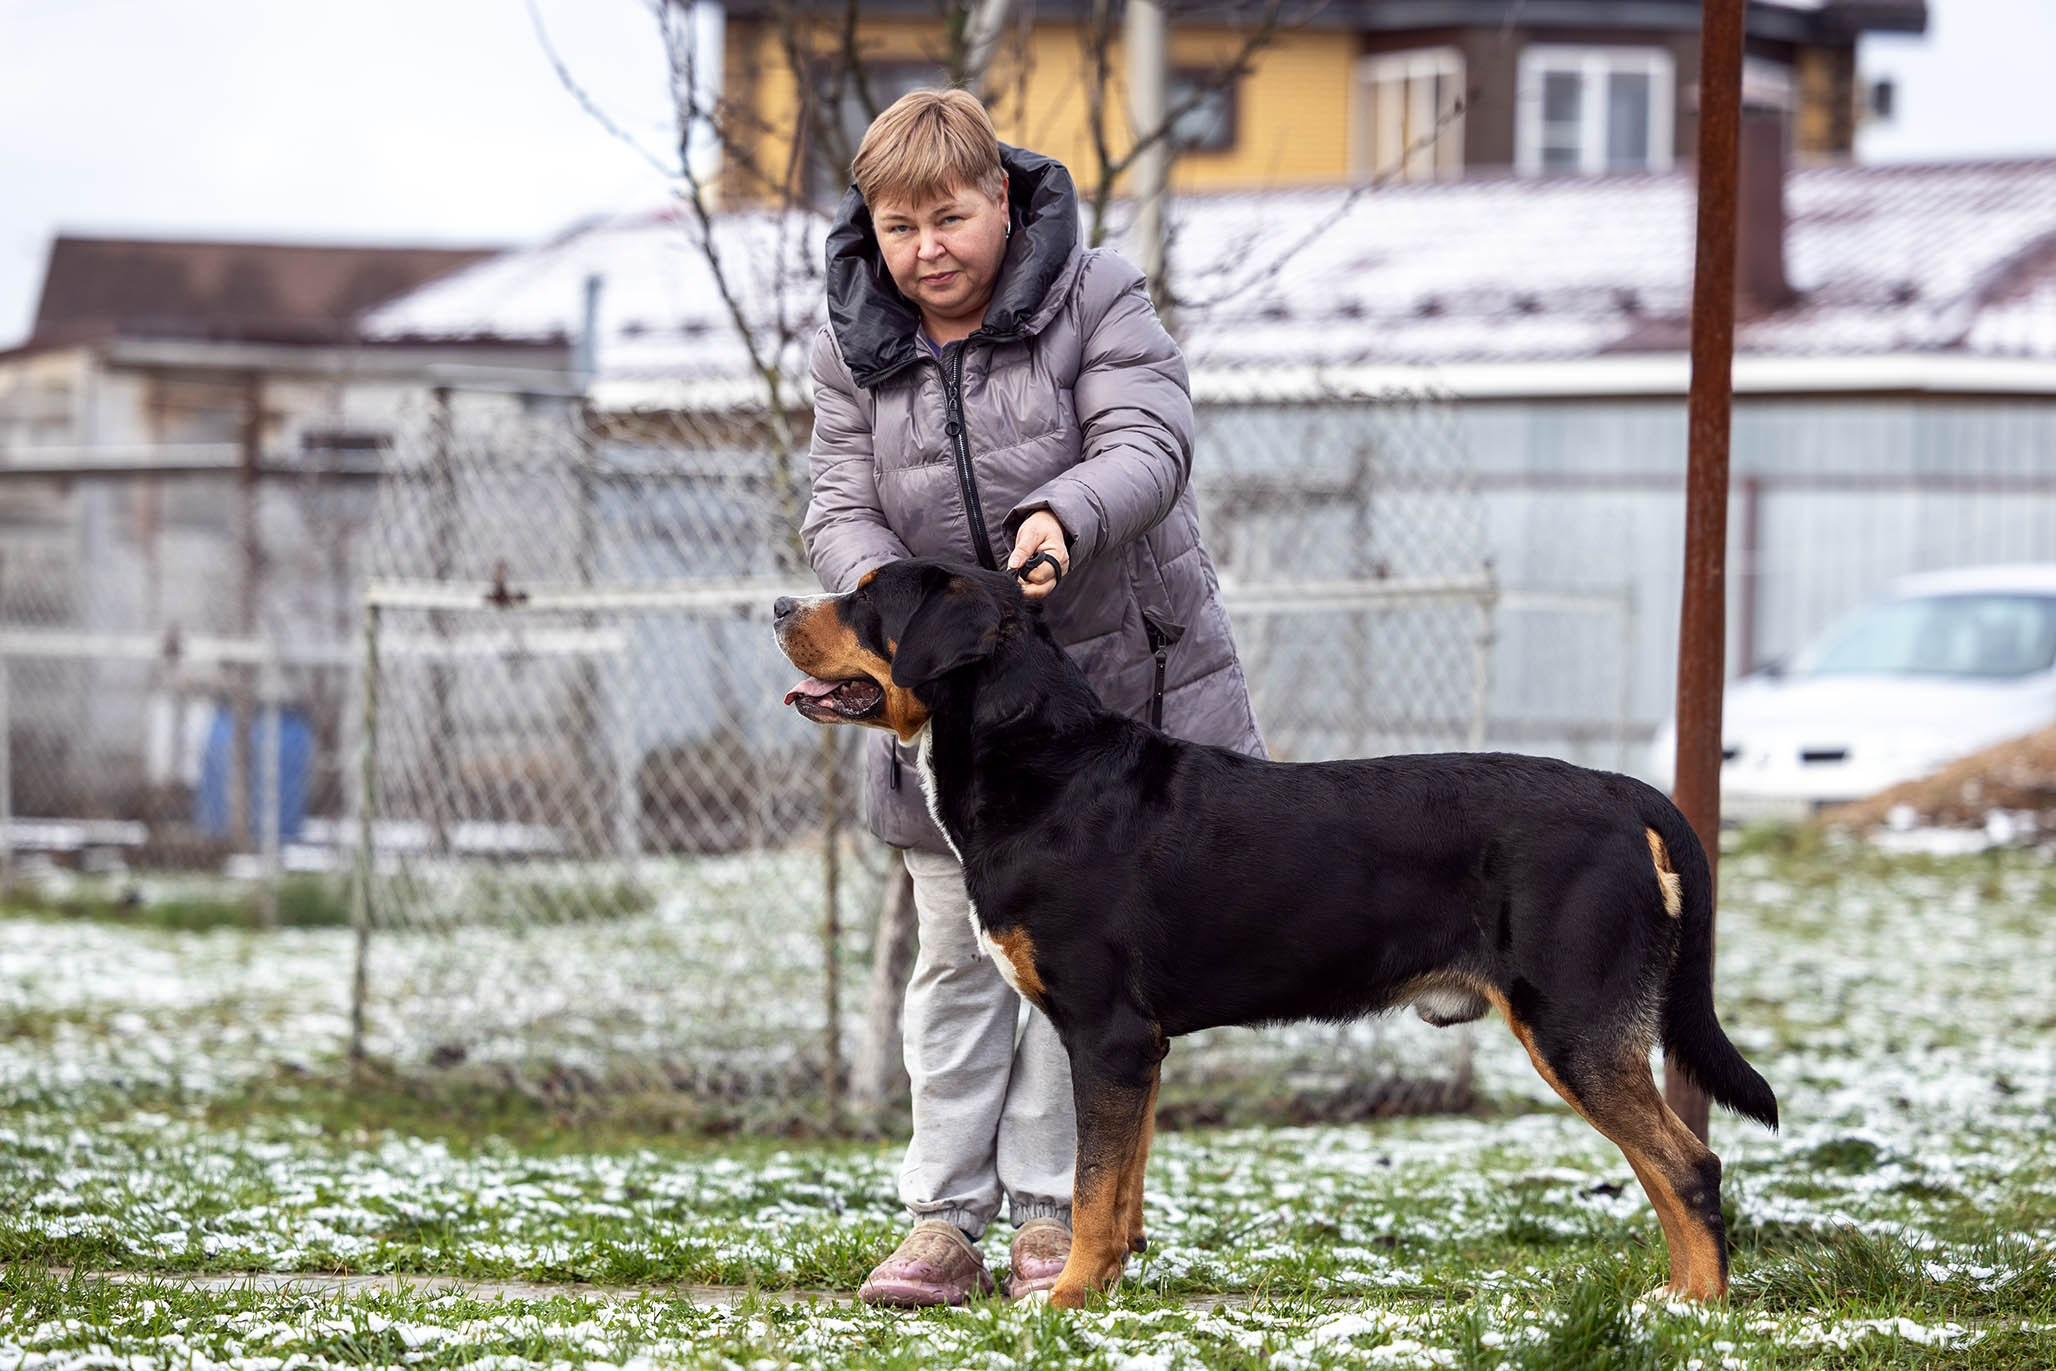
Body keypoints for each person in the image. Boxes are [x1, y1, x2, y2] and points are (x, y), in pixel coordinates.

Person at [801, 88, 1265, 1306]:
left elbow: (1149, 441)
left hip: (1111, 694)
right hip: (941, 709)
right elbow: (836, 498)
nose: (924, 252)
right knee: (953, 958)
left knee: (1091, 963)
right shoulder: (849, 334)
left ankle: (1058, 1218)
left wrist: (1062, 513)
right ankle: (942, 1220)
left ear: (1001, 198)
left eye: (947, 219)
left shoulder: (1094, 293)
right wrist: (876, 606)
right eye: (897, 229)